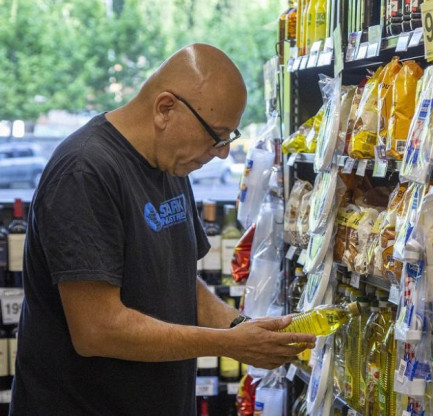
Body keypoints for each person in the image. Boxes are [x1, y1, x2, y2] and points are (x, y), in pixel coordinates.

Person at [10, 44, 315, 415]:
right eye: (216, 136)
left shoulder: (171, 164)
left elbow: (178, 279)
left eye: (229, 138)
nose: (221, 153)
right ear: (165, 108)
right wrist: (227, 343)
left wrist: (241, 327)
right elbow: (97, 329)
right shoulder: (85, 172)